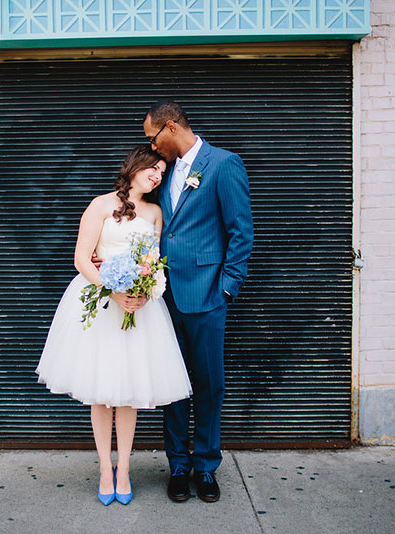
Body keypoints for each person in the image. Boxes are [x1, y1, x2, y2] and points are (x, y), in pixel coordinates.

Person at [35, 145, 192, 506]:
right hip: (102, 303)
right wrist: (112, 290)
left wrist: (145, 291)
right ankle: (106, 469)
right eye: (153, 168)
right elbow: (81, 259)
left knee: (128, 394)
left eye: (162, 172)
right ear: (135, 166)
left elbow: (154, 262)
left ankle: (125, 470)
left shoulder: (155, 212)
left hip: (138, 309)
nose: (157, 176)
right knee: (101, 393)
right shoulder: (101, 205)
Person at [142, 100, 253, 503]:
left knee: (208, 384)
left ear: (171, 127)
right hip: (164, 296)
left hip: (207, 296)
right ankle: (177, 465)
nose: (152, 147)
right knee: (172, 384)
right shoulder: (163, 171)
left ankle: (205, 466)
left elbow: (241, 230)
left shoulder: (223, 164)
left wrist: (227, 288)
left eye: (153, 137)